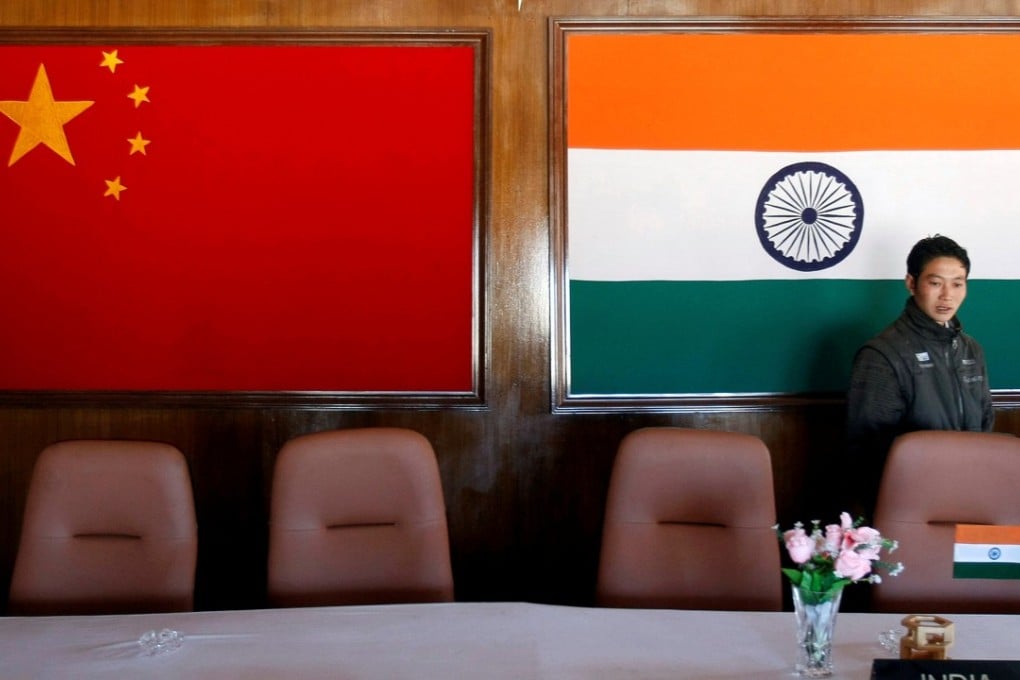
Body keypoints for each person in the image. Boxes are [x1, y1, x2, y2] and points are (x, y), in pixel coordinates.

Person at [844, 234, 994, 517]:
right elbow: (867, 452)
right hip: (910, 504)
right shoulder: (882, 354)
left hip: (971, 496)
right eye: (935, 283)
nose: (947, 295)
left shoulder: (972, 350)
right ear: (911, 283)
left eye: (957, 284)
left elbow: (986, 425)